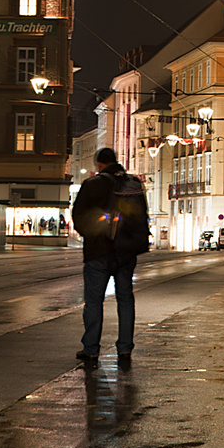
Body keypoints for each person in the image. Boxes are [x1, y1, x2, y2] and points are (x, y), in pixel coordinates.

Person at [71, 147, 149, 367]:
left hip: (98, 252)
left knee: (94, 301)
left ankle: (91, 349)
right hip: (126, 253)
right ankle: (125, 349)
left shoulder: (92, 184)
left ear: (98, 164)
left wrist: (91, 235)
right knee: (125, 299)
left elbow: (78, 216)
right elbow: (142, 216)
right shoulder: (133, 183)